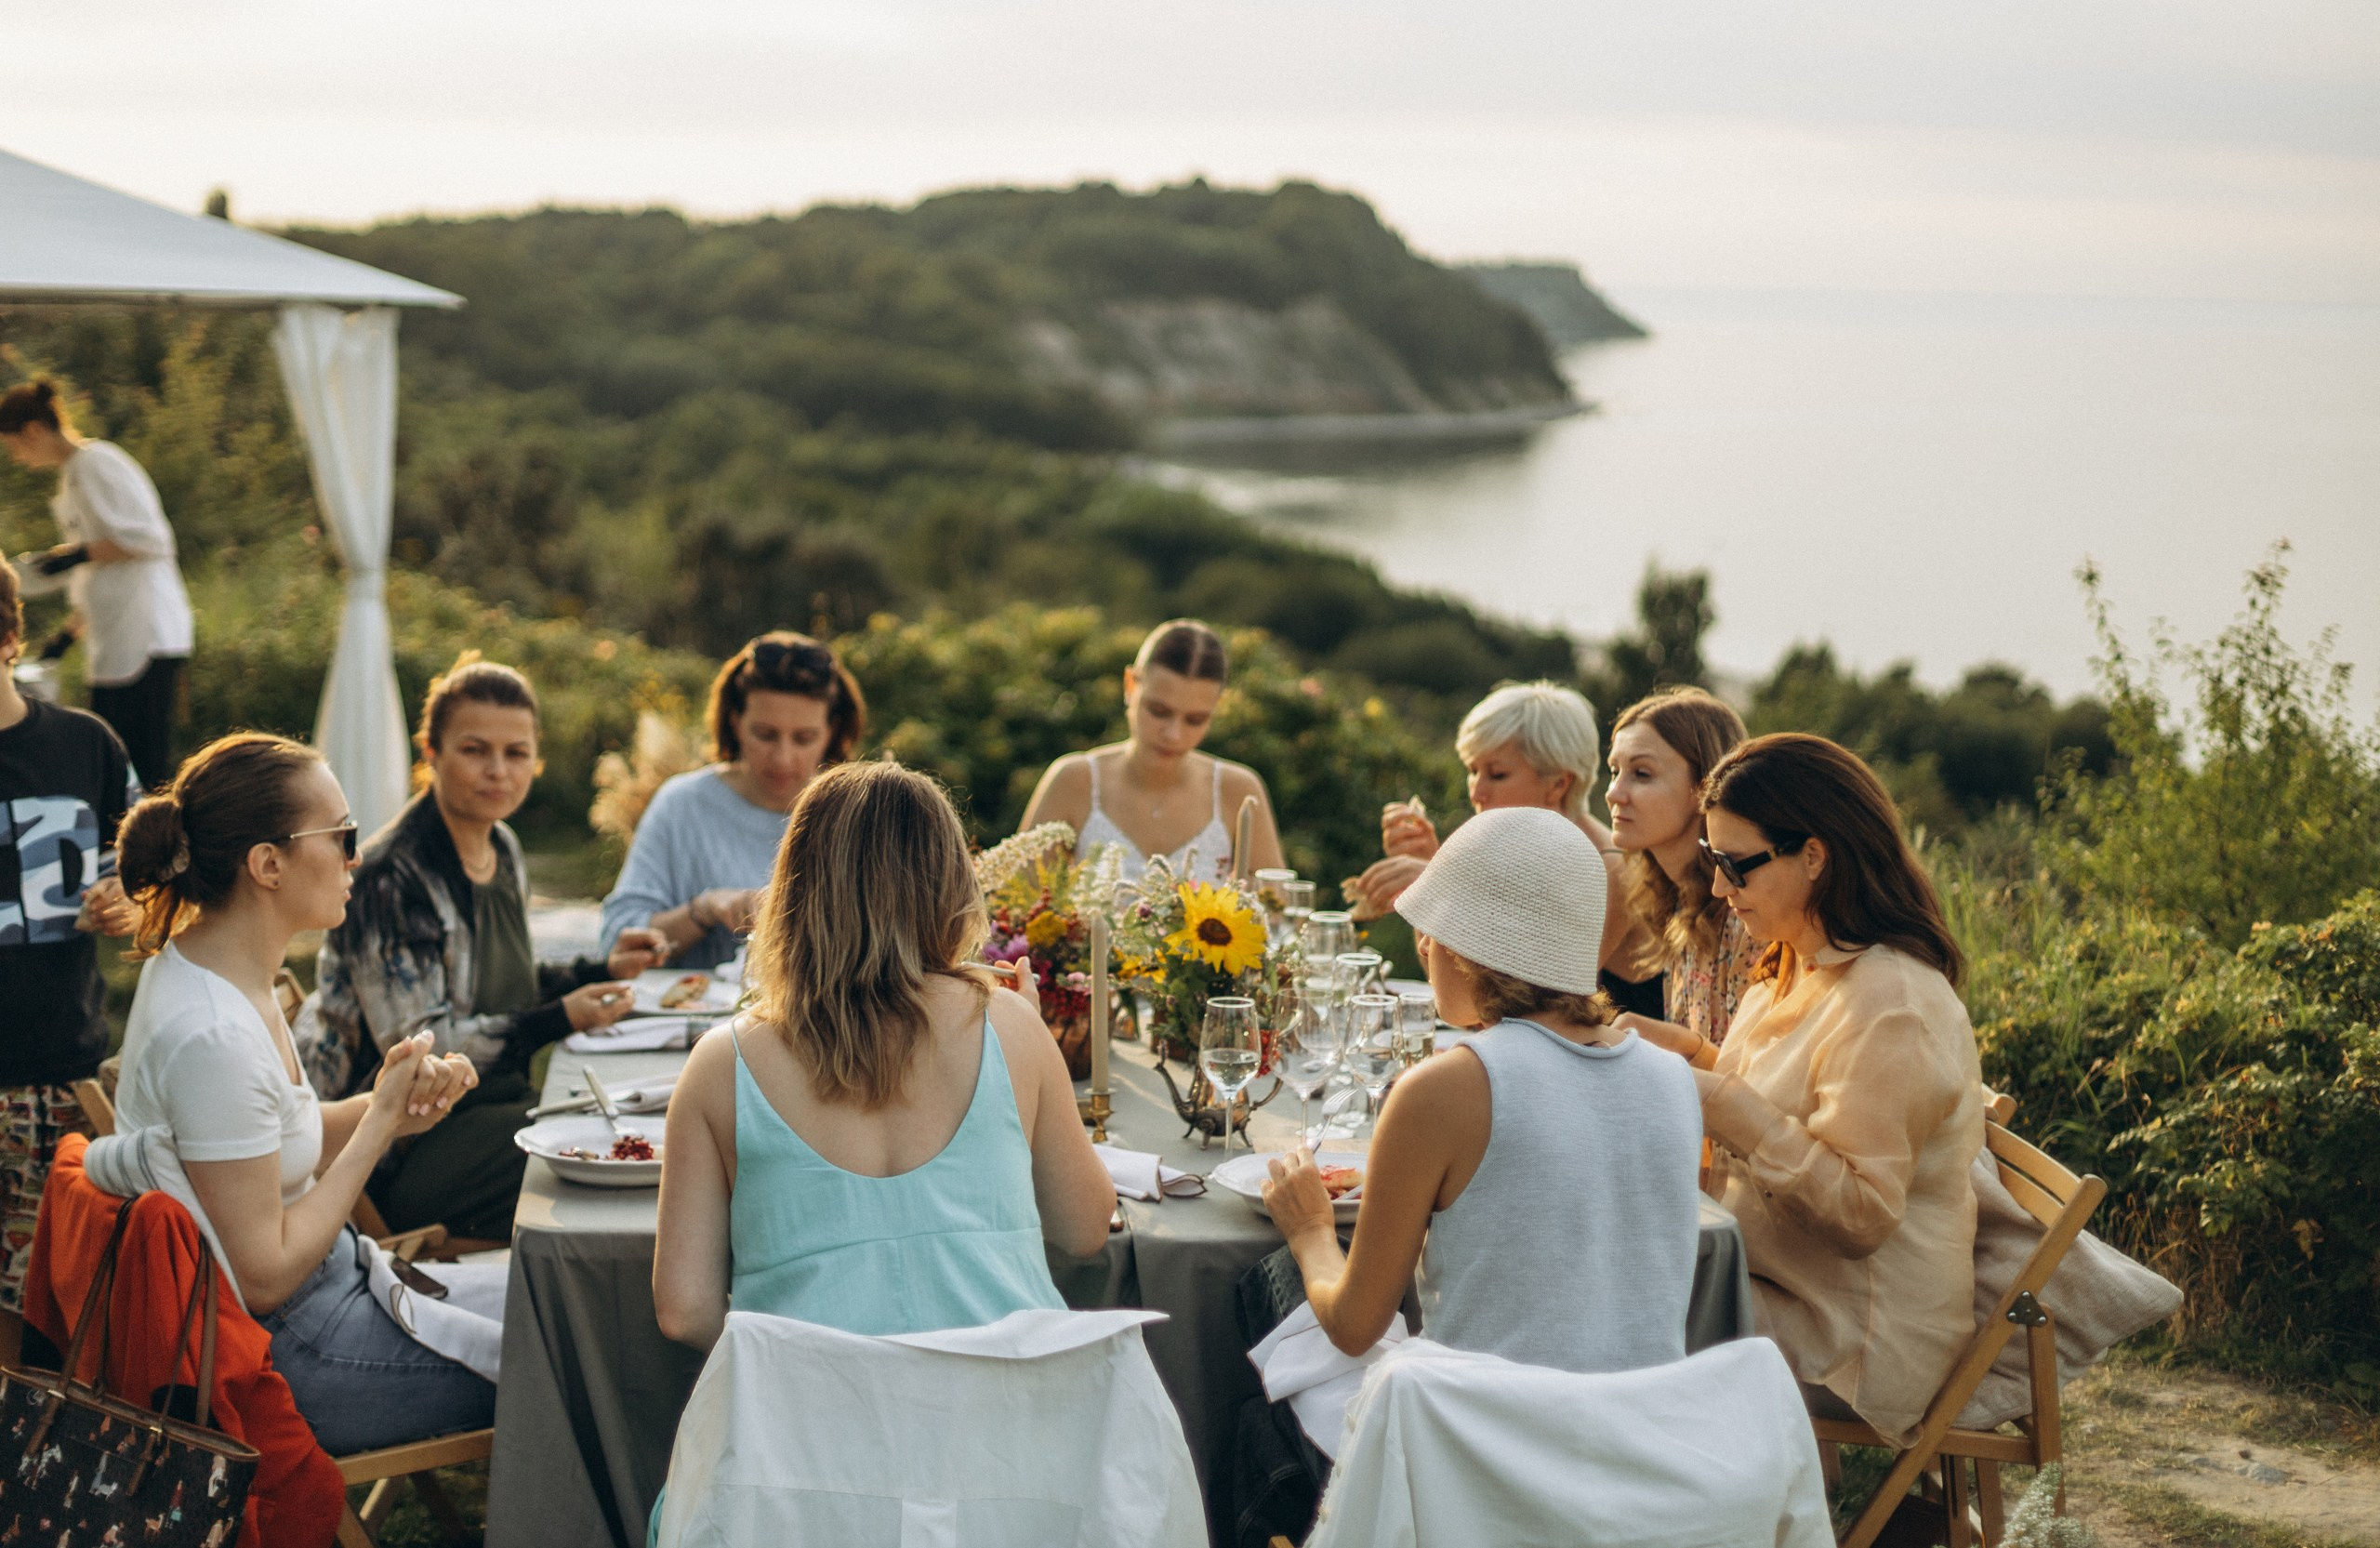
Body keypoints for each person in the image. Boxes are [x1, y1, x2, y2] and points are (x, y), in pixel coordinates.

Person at [94, 732, 494, 1455]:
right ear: (267, 863)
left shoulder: (228, 969)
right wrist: (377, 1128)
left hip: (338, 1289)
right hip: (292, 1358)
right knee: (567, 1349)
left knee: (559, 1300)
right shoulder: (212, 1034)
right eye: (342, 835)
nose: (356, 856)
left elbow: (280, 1139)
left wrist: (391, 1105)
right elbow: (267, 1275)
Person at [653, 760, 1114, 1354]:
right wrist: (1027, 1036)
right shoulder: (1010, 1023)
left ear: (794, 889)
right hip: (1000, 1397)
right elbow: (1084, 1230)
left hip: (806, 1401)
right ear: (951, 884)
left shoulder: (721, 1063)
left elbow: (685, 1312)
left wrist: (787, 1357)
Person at [1264, 807, 1702, 1374]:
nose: (1424, 946)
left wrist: (1309, 1230)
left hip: (1484, 1418)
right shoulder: (1672, 1078)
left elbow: (1354, 1326)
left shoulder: (1441, 1089)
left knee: (1274, 1304)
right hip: (1638, 1418)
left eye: (1433, 928)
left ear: (1466, 947)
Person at [1680, 733, 1983, 1445]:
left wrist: (1719, 1102)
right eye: (1711, 860)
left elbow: (1861, 1213)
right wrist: (1684, 1053)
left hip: (1854, 1339)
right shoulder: (1803, 960)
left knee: (1613, 1311)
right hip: (1780, 1287)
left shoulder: (1891, 1003)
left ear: (1814, 855)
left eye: (1735, 865)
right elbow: (1792, 1094)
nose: (1720, 888)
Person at [298, 655, 668, 1238]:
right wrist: (559, 1018)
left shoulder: (503, 846)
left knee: (639, 1126)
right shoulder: (393, 879)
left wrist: (600, 970)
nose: (498, 770)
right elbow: (421, 1050)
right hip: (398, 1147)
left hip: (490, 1105)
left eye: (516, 753)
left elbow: (500, 983)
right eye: (475, 750)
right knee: (612, 1155)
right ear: (431, 752)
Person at [0, 562, 140, 1364]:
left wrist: (129, 900)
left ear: (10, 638)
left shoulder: (85, 745)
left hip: (60, 1074)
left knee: (49, 1305)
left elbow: (149, 871)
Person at [1346, 681, 1650, 1012]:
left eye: (1497, 774)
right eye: (1472, 771)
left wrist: (1446, 884)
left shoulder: (1609, 870)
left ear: (1558, 784)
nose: (1476, 792)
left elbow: (1516, 1008)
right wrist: (1434, 885)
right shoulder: (1520, 856)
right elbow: (1450, 989)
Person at [600, 631, 865, 969]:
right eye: (765, 734)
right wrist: (704, 910)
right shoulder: (682, 805)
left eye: (804, 739)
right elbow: (616, 943)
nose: (783, 758)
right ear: (736, 724)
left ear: (832, 732)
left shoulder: (855, 815)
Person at [0, 380, 195, 790]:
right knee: (110, 758)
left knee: (141, 764)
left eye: (14, 447)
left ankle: (153, 831)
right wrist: (66, 636)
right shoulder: (71, 477)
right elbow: (98, 573)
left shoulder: (98, 463)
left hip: (146, 635)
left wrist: (76, 554)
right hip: (114, 637)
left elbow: (150, 541)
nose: (18, 458)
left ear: (33, 431)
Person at [1019, 619, 1285, 882]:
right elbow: (1017, 899)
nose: (1173, 734)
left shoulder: (1238, 790)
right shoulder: (1073, 781)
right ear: (1130, 685)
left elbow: (1276, 902)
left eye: (1195, 720)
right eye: (1159, 711)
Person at [1604, 686, 1761, 1058]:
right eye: (1614, 771)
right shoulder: (1675, 902)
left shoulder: (1745, 911)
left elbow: (1753, 1072)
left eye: (1641, 773)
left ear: (1704, 786)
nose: (1614, 793)